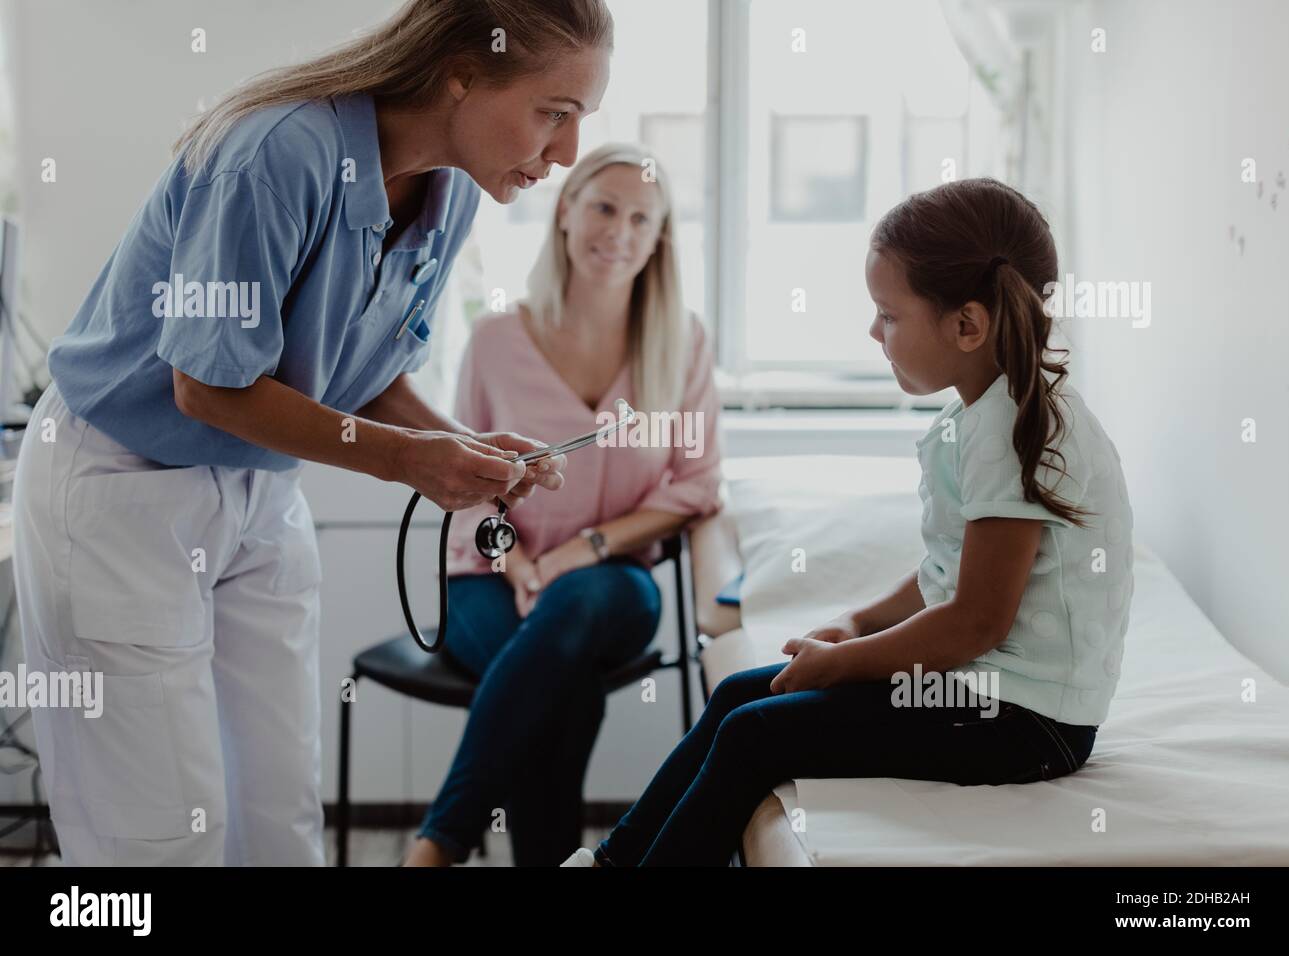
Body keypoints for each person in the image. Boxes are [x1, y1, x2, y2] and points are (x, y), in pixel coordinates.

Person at [12, 0, 615, 866]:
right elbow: (208, 384)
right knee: (156, 831)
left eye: (580, 121)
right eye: (553, 113)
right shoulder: (276, 152)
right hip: (123, 482)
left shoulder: (451, 195)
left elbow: (363, 367)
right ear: (462, 70)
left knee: (278, 808)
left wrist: (461, 452)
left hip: (260, 483)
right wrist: (412, 462)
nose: (566, 153)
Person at [564, 177, 1135, 867]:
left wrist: (844, 666)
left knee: (757, 734)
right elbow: (950, 577)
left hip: (1028, 723)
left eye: (889, 316)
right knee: (739, 695)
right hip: (986, 692)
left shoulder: (1014, 430)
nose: (874, 332)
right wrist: (861, 625)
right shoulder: (982, 409)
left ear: (967, 325)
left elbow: (976, 622)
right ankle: (612, 862)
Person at [403, 143, 723, 867]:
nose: (620, 231)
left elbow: (698, 482)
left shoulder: (684, 344)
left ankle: (435, 847)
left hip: (614, 587)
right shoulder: (494, 342)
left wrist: (589, 549)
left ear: (660, 237)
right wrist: (517, 564)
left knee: (571, 612)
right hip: (486, 581)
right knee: (561, 683)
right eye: (605, 207)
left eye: (643, 218)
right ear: (568, 211)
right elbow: (465, 483)